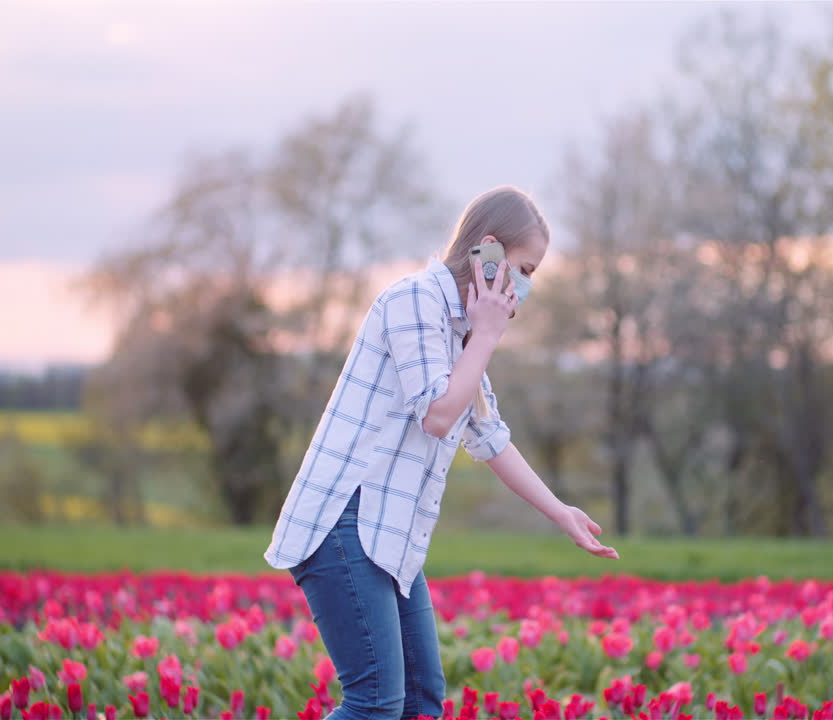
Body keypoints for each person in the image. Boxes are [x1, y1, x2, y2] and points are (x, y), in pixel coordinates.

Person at [263, 185, 619, 720]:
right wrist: (488, 335)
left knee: (421, 704)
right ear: (489, 252)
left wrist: (561, 513)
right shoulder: (415, 301)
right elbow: (438, 414)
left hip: (390, 534)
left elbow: (488, 436)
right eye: (525, 268)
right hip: (344, 522)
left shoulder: (461, 330)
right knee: (375, 704)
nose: (526, 286)